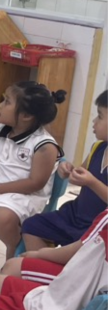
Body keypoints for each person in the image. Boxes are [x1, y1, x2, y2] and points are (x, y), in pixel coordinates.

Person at [0, 82, 65, 259]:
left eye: (7, 101)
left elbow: (35, 183)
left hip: (22, 195)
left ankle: (13, 248)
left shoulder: (44, 145)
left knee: (1, 217)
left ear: (26, 115)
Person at [22, 90, 108, 251]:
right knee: (31, 226)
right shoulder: (98, 147)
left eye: (100, 116)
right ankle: (44, 265)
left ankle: (53, 262)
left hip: (99, 228)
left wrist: (92, 182)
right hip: (75, 215)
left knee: (80, 251)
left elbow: (91, 181)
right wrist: (69, 170)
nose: (94, 121)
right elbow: (80, 174)